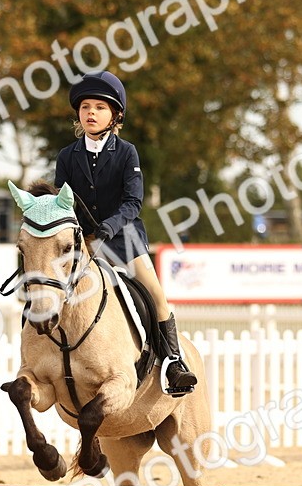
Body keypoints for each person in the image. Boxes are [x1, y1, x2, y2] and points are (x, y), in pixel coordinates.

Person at [53, 70, 197, 395]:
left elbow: (133, 202)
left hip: (124, 239)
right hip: (85, 243)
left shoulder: (126, 152)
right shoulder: (67, 156)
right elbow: (62, 201)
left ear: (115, 115)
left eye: (99, 107)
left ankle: (174, 363)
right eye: (85, 107)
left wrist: (110, 226)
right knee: (49, 286)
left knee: (156, 295)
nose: (91, 113)